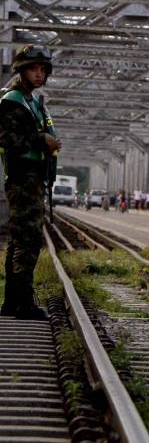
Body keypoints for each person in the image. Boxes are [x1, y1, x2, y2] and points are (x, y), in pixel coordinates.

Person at [0, 44, 61, 320]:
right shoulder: (13, 101)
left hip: (33, 178)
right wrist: (41, 140)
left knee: (20, 239)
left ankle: (13, 301)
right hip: (23, 178)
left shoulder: (33, 102)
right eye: (32, 69)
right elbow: (9, 141)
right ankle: (22, 302)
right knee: (28, 240)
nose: (38, 74)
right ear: (21, 71)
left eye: (42, 70)